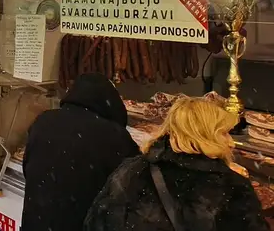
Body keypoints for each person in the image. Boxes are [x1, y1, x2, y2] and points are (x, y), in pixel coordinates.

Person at [84, 97, 267, 231]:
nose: (231, 143)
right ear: (204, 136)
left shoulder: (129, 173)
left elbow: (96, 223)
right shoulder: (231, 187)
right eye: (224, 133)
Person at [21, 73, 140, 231]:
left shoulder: (43, 121)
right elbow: (133, 189)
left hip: (36, 224)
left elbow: (27, 166)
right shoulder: (114, 137)